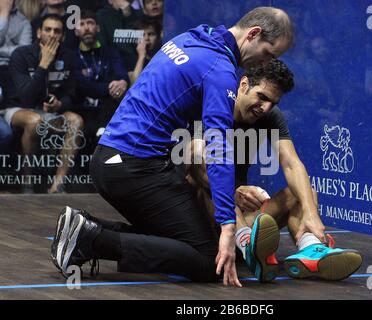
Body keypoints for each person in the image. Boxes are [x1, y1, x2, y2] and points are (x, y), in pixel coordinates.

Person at [51, 7, 294, 287]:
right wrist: (228, 224)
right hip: (134, 167)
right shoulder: (220, 69)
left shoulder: (193, 38)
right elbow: (218, 147)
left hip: (109, 160)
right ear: (253, 34)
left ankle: (85, 227)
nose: (264, 64)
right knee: (209, 257)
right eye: (268, 53)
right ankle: (91, 239)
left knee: (176, 240)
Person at [186, 59, 363, 281]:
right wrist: (231, 193)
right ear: (243, 85)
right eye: (262, 97)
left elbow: (291, 163)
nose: (266, 107)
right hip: (204, 217)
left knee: (301, 193)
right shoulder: (214, 103)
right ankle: (245, 241)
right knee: (204, 171)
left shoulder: (270, 116)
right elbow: (195, 164)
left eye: (273, 102)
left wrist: (310, 211)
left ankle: (311, 250)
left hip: (241, 213)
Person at [7, 14, 84, 193]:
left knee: (76, 121)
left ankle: (57, 185)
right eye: (47, 30)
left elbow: (72, 95)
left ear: (62, 36)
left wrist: (59, 104)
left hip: (52, 112)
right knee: (35, 121)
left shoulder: (69, 57)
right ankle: (27, 182)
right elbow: (25, 97)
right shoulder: (21, 54)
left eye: (57, 31)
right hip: (19, 109)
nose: (52, 34)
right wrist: (43, 65)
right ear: (39, 33)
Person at [74, 10, 130, 142]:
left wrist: (122, 82)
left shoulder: (110, 53)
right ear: (76, 31)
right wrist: (109, 87)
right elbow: (83, 86)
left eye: (90, 23)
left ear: (98, 28)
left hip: (108, 107)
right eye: (81, 24)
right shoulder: (72, 56)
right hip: (82, 109)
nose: (86, 28)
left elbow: (122, 74)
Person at [0, 0, 32, 153]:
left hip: (12, 73)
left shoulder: (23, 22)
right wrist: (4, 16)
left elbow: (23, 52)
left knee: (7, 134)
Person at [96, 0, 142, 72]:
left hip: (136, 66)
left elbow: (138, 43)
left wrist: (128, 16)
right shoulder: (102, 16)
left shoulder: (138, 15)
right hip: (113, 68)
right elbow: (103, 46)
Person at [128, 16, 162, 84]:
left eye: (151, 34)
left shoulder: (162, 57)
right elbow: (134, 84)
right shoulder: (129, 59)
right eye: (142, 35)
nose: (146, 38)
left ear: (158, 38)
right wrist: (141, 57)